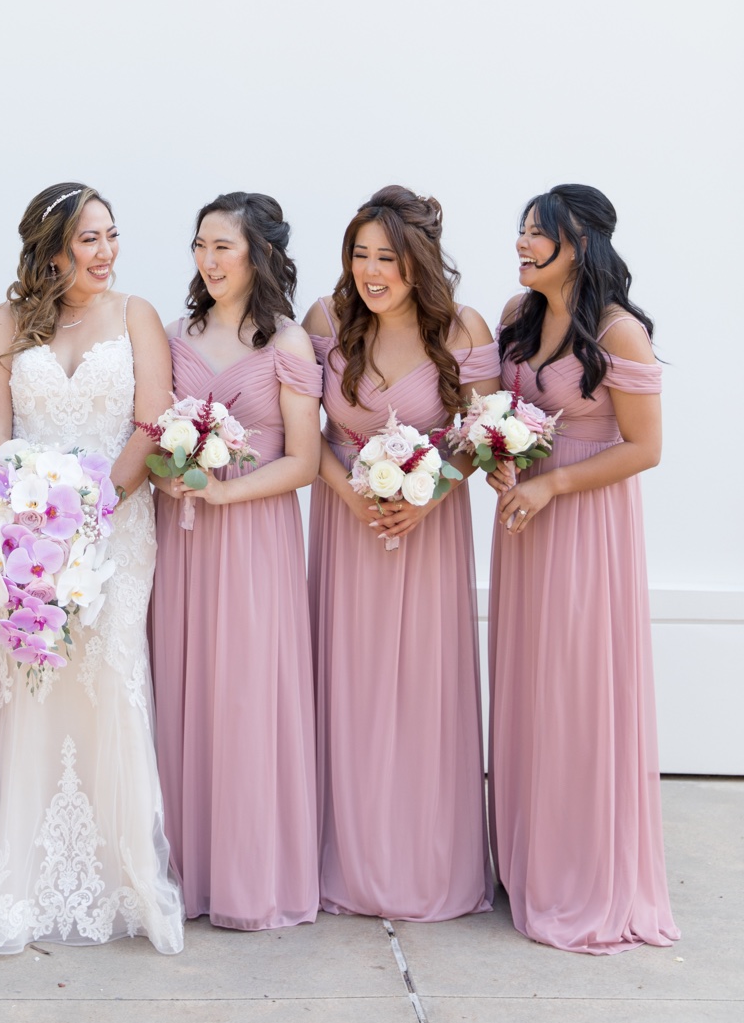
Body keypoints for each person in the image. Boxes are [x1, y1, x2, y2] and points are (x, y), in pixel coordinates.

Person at [0, 183, 184, 955]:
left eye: (111, 236)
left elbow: (152, 425)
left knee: (110, 678)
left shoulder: (136, 317)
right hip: (26, 538)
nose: (106, 252)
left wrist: (91, 513)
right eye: (88, 239)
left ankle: (127, 879)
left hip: (117, 532)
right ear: (51, 248)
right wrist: (29, 517)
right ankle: (21, 879)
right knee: (31, 686)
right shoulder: (3, 323)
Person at [488, 183, 678, 953]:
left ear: (583, 242)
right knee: (529, 683)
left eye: (541, 234)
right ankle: (531, 862)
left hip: (586, 524)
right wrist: (500, 464)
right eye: (524, 231)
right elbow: (499, 414)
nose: (525, 243)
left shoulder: (618, 331)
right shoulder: (515, 316)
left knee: (577, 688)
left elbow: (646, 448)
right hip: (523, 524)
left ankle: (586, 873)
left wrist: (553, 482)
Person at [303, 186, 496, 921]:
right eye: (360, 255)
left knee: (423, 691)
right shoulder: (327, 321)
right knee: (349, 686)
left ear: (420, 263)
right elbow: (307, 436)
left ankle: (425, 861)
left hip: (427, 534)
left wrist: (429, 496)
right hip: (348, 526)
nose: (371, 272)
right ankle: (347, 857)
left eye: (387, 257)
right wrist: (353, 496)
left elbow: (478, 438)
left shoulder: (463, 328)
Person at [151, 191, 322, 930]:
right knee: (181, 688)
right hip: (181, 536)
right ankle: (182, 868)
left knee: (248, 695)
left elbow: (307, 462)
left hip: (254, 538)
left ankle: (252, 876)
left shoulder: (287, 344)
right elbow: (151, 432)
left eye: (222, 246)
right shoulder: (171, 332)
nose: (208, 260)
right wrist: (169, 475)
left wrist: (227, 494)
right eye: (199, 245)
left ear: (257, 252)